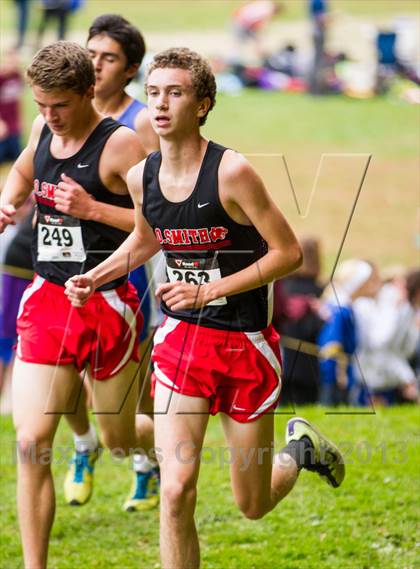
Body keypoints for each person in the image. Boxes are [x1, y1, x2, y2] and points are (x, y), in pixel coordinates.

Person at [66, 47, 345, 569]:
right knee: (175, 491)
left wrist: (209, 291)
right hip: (183, 345)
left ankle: (299, 452)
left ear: (203, 104)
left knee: (252, 504)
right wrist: (96, 274)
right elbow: (146, 240)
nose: (161, 104)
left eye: (176, 93)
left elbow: (289, 254)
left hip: (246, 346)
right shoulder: (140, 177)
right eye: (153, 93)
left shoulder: (233, 172)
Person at [0, 41, 152, 569]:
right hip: (48, 299)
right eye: (41, 105)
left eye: (59, 105)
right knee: (32, 441)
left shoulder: (121, 146)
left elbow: (155, 232)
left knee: (118, 437)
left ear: (90, 92)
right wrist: (10, 200)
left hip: (109, 303)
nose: (48, 117)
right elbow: (24, 170)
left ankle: (147, 454)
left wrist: (91, 210)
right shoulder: (45, 129)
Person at [61, 13, 161, 513]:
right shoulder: (60, 112)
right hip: (57, 270)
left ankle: (144, 462)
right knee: (56, 378)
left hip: (122, 276)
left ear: (130, 70)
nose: (96, 66)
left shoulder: (139, 122)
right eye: (92, 54)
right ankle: (83, 447)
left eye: (109, 58)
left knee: (120, 400)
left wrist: (91, 209)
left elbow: (160, 216)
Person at [317, 259, 381, 406]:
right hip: (336, 378)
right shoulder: (340, 310)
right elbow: (332, 345)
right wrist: (341, 373)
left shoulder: (347, 307)